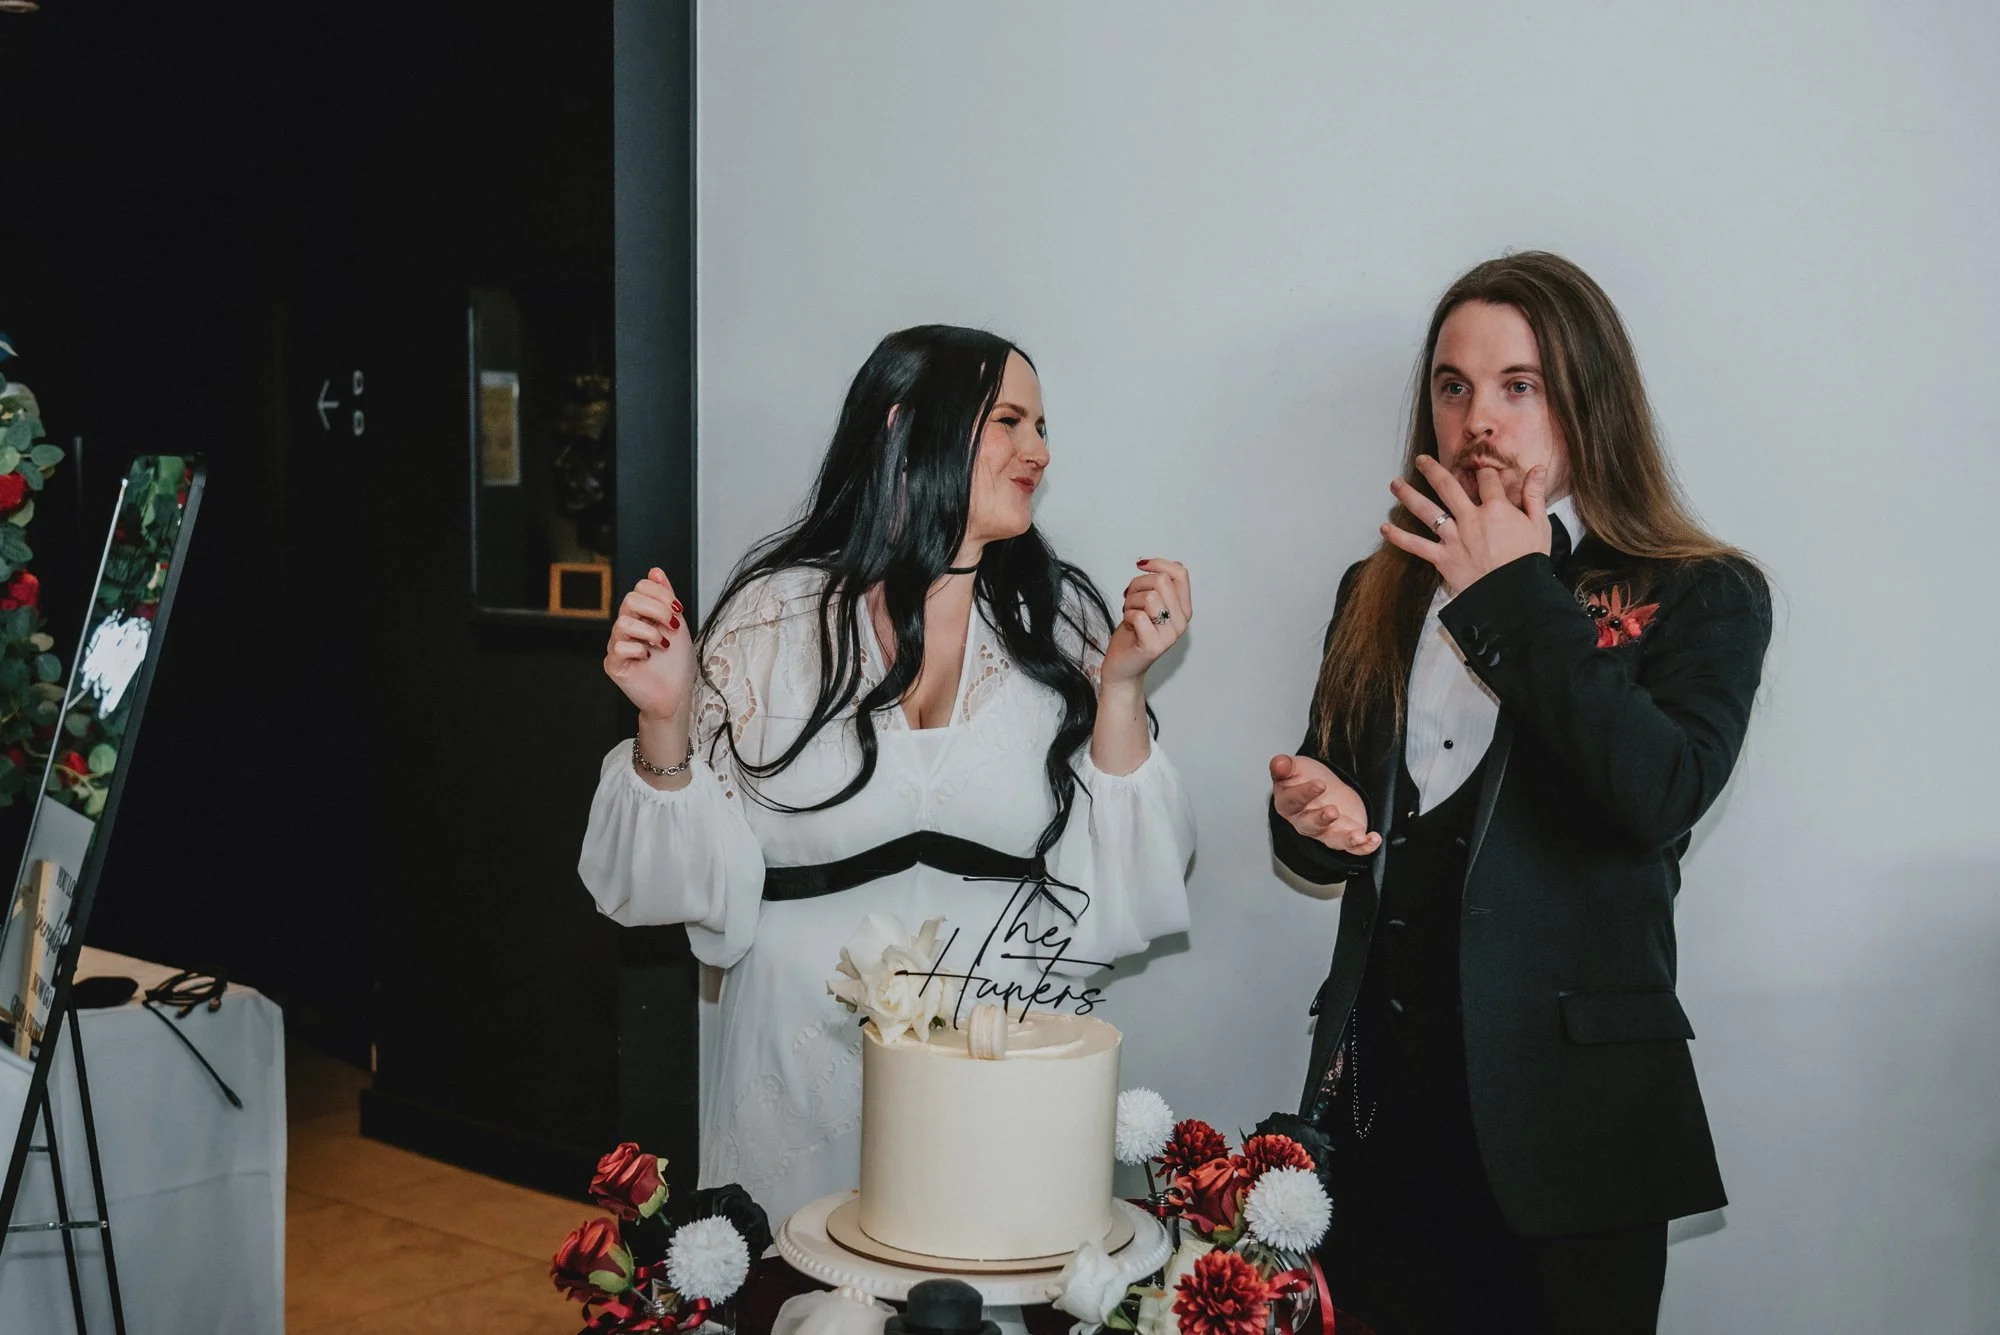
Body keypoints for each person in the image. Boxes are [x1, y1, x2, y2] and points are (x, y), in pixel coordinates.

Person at [581, 324, 1196, 1223]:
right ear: (908, 426)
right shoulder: (771, 621)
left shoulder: (1054, 623)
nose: (1040, 450)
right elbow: (674, 891)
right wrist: (663, 715)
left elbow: (1123, 894)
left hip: (992, 1063)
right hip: (798, 1062)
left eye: (1042, 426)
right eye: (1011, 422)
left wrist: (1122, 689)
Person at [1268, 253, 1772, 1333]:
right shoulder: (1374, 592)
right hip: (1378, 1126)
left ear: (1587, 399)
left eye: (1517, 384)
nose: (1476, 418)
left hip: (1571, 1140)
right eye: (1452, 386)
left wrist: (1506, 590)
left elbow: (1658, 792)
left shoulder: (1702, 591)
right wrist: (1310, 820)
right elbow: (1335, 829)